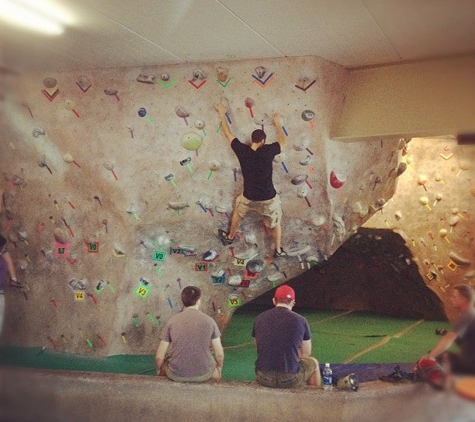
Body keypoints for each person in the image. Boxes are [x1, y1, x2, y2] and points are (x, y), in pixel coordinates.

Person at [216, 101, 287, 258]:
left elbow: (228, 134)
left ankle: (230, 237)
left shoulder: (242, 151)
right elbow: (283, 142)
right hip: (268, 198)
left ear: (253, 140)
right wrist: (278, 124)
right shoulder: (268, 151)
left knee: (238, 211)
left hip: (249, 196)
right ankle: (278, 250)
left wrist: (222, 113)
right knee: (276, 223)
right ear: (263, 141)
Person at [252, 284, 321, 388]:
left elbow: (259, 347)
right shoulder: (301, 320)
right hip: (289, 379)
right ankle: (311, 398)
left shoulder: (259, 318)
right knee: (313, 362)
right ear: (293, 302)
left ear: (274, 300)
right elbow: (306, 353)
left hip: (263, 377)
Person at [155, 286, 224, 382]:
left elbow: (159, 357)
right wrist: (219, 368)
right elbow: (219, 354)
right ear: (198, 301)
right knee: (215, 369)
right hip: (204, 373)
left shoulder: (172, 321)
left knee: (166, 362)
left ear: (183, 301)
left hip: (175, 374)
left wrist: (159, 370)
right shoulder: (210, 321)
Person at [422, 284, 475, 374]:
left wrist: (429, 357)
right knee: (440, 356)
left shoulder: (467, 315)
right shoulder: (470, 313)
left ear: (463, 300)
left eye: (454, 297)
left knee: (436, 359)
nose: (451, 299)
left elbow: (448, 339)